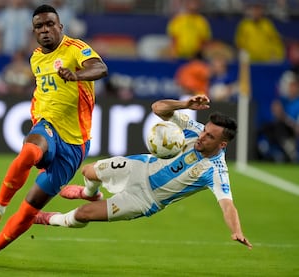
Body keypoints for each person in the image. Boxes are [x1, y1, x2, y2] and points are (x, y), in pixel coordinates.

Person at [0, 4, 108, 266]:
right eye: (39, 26)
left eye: (50, 24)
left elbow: (100, 68)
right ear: (34, 31)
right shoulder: (35, 57)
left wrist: (77, 76)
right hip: (47, 126)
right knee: (29, 151)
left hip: (75, 144)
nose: (45, 30)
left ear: (61, 26)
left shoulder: (75, 48)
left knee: (29, 209)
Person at [34, 95, 253, 250]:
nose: (202, 136)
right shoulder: (193, 129)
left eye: (210, 137)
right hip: (139, 167)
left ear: (222, 144)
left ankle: (49, 219)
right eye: (205, 130)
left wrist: (236, 230)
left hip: (144, 200)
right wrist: (185, 104)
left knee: (83, 214)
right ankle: (90, 192)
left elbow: (227, 205)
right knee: (88, 171)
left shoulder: (216, 171)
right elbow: (158, 108)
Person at [258, 71, 299, 162]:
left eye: (292, 85)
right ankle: (268, 151)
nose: (289, 88)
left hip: (292, 134)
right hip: (285, 131)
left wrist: (282, 115)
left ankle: (291, 152)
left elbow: (296, 127)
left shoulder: (297, 103)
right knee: (267, 127)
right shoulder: (286, 102)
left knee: (279, 127)